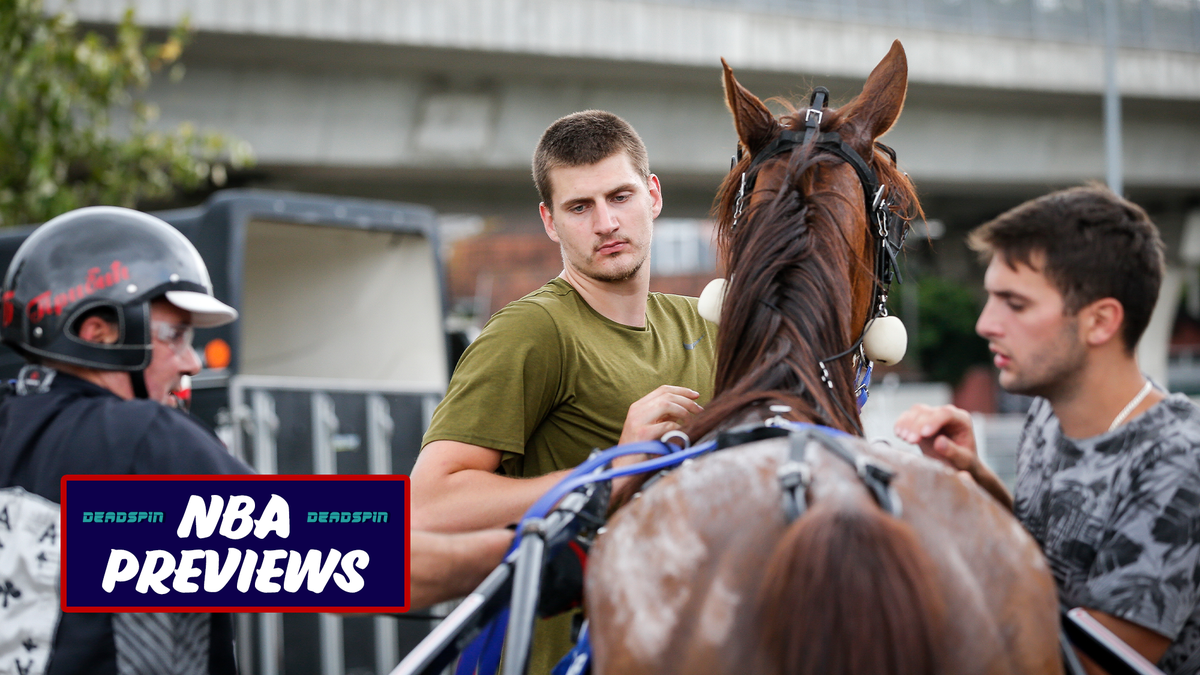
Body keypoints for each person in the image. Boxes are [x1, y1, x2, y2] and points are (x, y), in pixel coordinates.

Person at [411, 110, 717, 672]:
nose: (606, 223)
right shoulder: (533, 331)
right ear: (550, 222)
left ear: (652, 195)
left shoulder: (702, 324)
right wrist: (606, 473)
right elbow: (426, 505)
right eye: (580, 207)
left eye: (620, 196)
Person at [893, 186, 1200, 674]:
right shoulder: (1048, 413)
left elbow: (1083, 663)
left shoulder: (1179, 463)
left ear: (1099, 321)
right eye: (990, 297)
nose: (985, 324)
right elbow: (1047, 565)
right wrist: (974, 477)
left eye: (1014, 303)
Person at [0, 206, 252, 675]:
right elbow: (351, 559)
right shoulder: (143, 441)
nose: (192, 362)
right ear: (98, 334)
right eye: (175, 336)